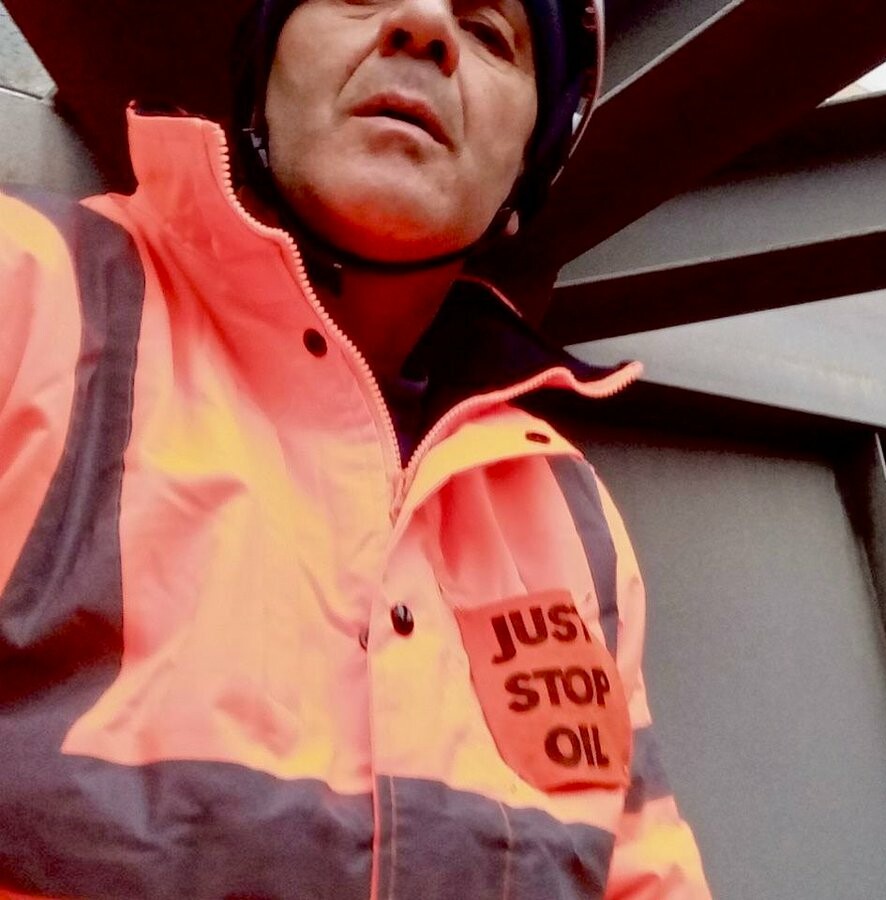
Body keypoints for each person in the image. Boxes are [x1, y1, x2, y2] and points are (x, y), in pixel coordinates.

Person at [0, 0, 710, 896]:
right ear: (260, 82)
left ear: (524, 178)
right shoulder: (25, 292)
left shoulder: (569, 514)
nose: (423, 24)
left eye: (491, 32)